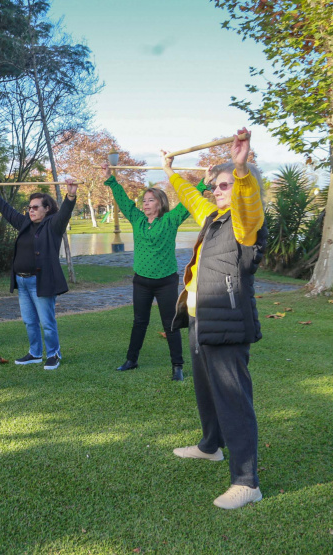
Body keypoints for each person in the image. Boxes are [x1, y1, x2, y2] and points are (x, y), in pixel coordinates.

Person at [163, 128, 267, 510]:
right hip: (201, 319)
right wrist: (170, 172)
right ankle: (211, 446)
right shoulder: (213, 218)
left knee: (233, 400)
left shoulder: (245, 223)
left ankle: (247, 482)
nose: (217, 191)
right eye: (216, 186)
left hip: (228, 323)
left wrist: (240, 169)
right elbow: (191, 196)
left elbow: (248, 204)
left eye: (225, 186)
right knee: (206, 391)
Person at [101, 165, 208, 381]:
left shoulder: (170, 220)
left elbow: (189, 202)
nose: (145, 203)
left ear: (160, 203)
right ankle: (131, 360)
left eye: (150, 200)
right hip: (141, 281)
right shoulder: (138, 219)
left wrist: (204, 183)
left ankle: (177, 366)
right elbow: (124, 201)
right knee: (139, 322)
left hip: (166, 282)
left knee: (170, 323)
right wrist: (110, 179)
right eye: (144, 200)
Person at [0, 180, 78, 370]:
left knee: (47, 322)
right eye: (29, 207)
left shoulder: (53, 225)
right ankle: (35, 353)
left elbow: (64, 213)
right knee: (29, 321)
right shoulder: (25, 223)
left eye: (35, 207)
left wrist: (70, 195)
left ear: (47, 209)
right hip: (22, 281)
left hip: (41, 281)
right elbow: (8, 211)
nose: (31, 210)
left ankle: (53, 354)